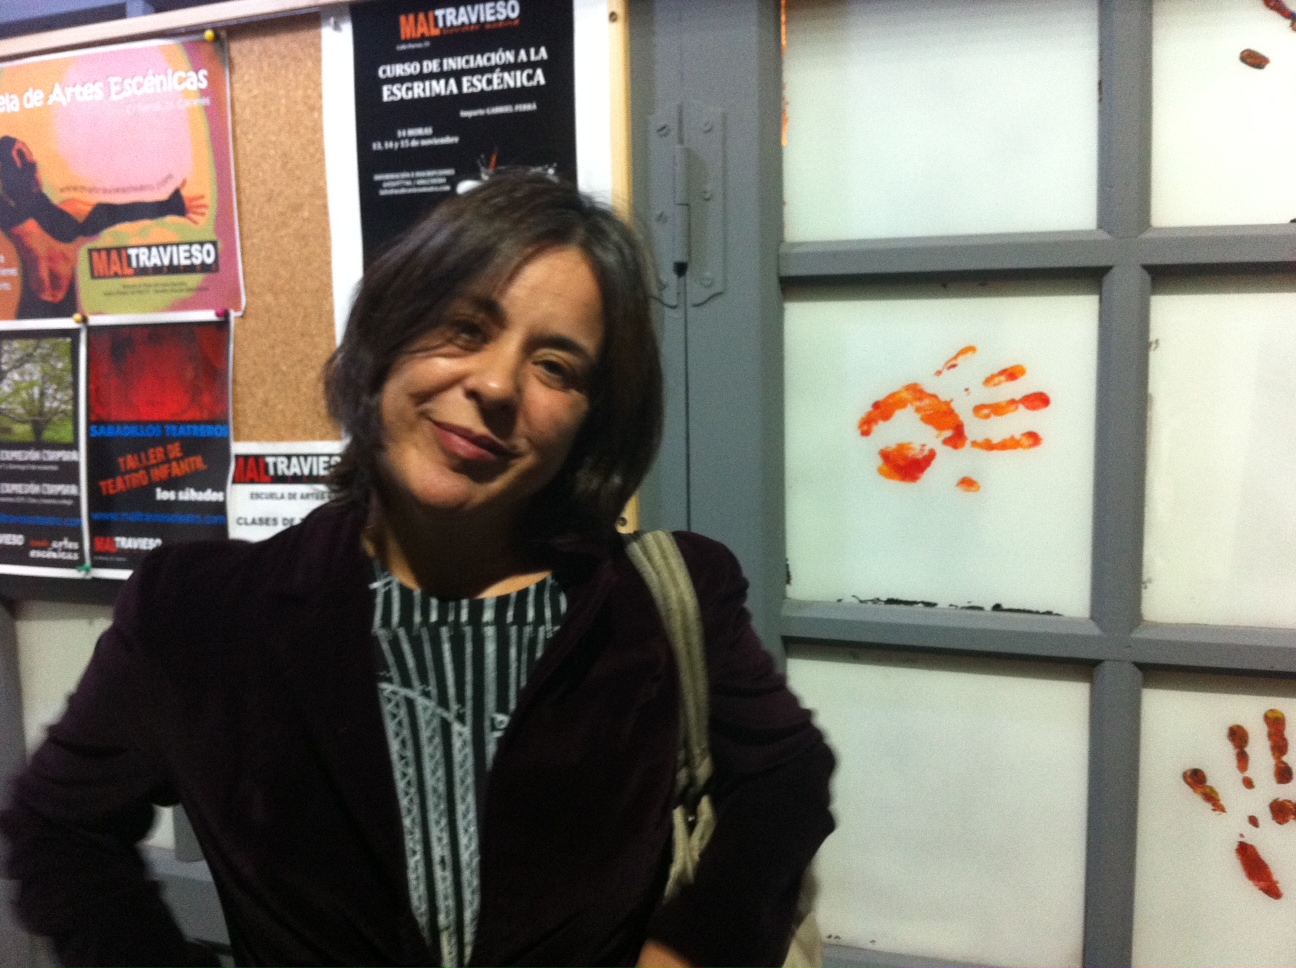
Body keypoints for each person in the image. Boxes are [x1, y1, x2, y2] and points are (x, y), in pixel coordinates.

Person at [1, 170, 834, 968]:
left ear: (592, 421)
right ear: (388, 335)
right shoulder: (201, 613)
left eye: (556, 367)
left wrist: (691, 950)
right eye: (465, 328)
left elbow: (786, 779)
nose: (497, 384)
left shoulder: (660, 598)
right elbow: (58, 827)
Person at [0, 136, 208, 319]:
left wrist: (169, 206)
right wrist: (169, 206)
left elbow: (118, 213)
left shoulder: (16, 225)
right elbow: (119, 213)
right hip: (38, 306)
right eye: (31, 166)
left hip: (50, 306)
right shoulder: (66, 214)